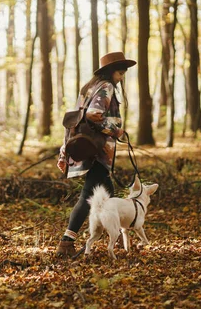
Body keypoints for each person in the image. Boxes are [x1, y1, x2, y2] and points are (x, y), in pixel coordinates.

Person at [56, 51, 136, 258]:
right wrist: (115, 130)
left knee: (107, 192)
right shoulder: (106, 87)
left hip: (85, 148)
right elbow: (93, 114)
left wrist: (64, 150)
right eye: (120, 72)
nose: (122, 77)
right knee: (89, 197)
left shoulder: (89, 88)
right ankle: (66, 242)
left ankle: (116, 237)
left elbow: (76, 119)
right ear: (111, 72)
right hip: (97, 151)